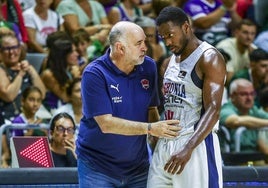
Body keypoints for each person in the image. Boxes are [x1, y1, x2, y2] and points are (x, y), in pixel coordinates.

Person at [76, 21, 181, 187]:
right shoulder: (94, 73)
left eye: (145, 42)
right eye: (139, 43)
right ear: (120, 48)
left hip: (137, 167)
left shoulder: (148, 66)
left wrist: (158, 144)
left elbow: (151, 108)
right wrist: (150, 128)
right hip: (98, 167)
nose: (145, 48)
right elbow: (106, 124)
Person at [147, 6, 225, 188]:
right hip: (165, 144)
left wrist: (188, 147)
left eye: (170, 35)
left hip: (195, 143)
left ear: (186, 27)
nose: (167, 42)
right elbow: (163, 104)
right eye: (163, 37)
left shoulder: (209, 58)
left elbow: (214, 109)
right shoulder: (168, 63)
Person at [220, 78, 268, 153]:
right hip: (230, 160)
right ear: (232, 96)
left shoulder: (253, 110)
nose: (249, 98)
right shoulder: (225, 109)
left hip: (253, 158)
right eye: (244, 94)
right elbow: (236, 121)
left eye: (252, 94)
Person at [216, 19, 257, 86]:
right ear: (236, 33)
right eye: (245, 33)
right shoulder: (225, 48)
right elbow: (229, 80)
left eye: (252, 34)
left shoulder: (254, 50)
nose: (249, 37)